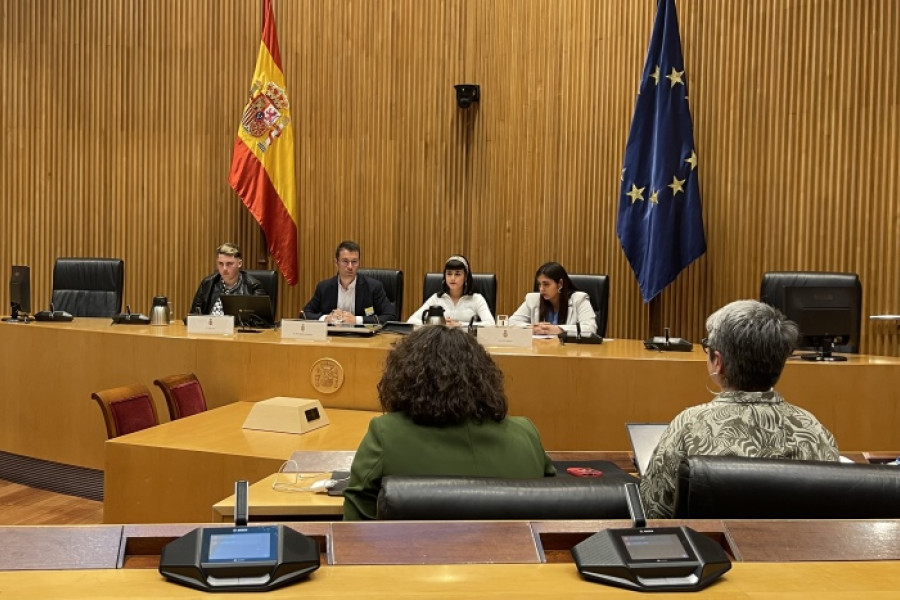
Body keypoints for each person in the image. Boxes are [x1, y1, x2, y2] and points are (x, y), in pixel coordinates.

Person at [639, 299, 840, 519]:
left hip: (711, 550)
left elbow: (653, 513)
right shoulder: (813, 429)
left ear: (718, 362)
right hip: (796, 552)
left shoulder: (687, 425)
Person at [342, 325, 556, 520]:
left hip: (414, 559)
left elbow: (353, 526)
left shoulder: (385, 434)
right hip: (517, 560)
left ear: (403, 377)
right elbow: (553, 507)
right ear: (485, 377)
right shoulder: (526, 434)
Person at [302, 240, 397, 324]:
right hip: (332, 338)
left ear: (359, 263)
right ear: (336, 263)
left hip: (363, 340)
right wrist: (326, 318)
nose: (350, 267)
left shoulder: (373, 287)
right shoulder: (324, 287)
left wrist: (356, 320)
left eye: (354, 261)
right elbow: (304, 314)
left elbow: (391, 316)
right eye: (345, 261)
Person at [509, 262, 597, 335]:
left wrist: (558, 329)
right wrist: (530, 328)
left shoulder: (579, 299)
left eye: (546, 284)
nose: (541, 289)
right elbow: (510, 323)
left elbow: (590, 328)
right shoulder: (532, 299)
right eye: (539, 284)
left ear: (560, 284)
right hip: (539, 351)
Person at [407, 255, 494, 326]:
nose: (452, 278)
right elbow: (411, 321)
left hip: (465, 344)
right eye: (449, 274)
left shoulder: (476, 299)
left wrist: (460, 325)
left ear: (466, 277)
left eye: (457, 274)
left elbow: (491, 325)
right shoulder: (436, 298)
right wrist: (437, 324)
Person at [189, 242, 267, 315]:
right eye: (220, 264)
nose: (224, 268)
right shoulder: (208, 283)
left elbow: (260, 322)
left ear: (239, 263)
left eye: (229, 264)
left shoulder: (253, 286)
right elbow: (193, 316)